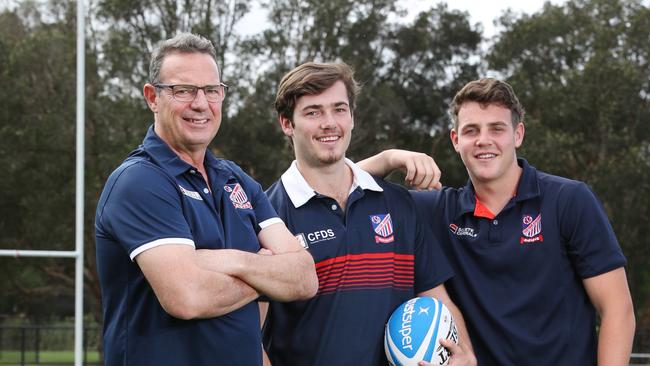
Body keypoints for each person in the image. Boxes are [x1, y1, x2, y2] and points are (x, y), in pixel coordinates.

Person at [364, 78, 636, 365]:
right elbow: (343, 185)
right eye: (471, 130)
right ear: (456, 140)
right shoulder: (436, 210)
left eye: (497, 128)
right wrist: (391, 157)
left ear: (517, 134)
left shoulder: (569, 200)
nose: (484, 140)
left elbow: (617, 309)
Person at [94, 33, 318, 366]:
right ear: (152, 97)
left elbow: (304, 277)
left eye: (212, 90)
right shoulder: (139, 182)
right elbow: (187, 297)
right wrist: (267, 275)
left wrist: (233, 261)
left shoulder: (235, 179)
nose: (201, 104)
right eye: (183, 90)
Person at [261, 62, 476, 366]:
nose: (329, 123)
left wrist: (464, 353)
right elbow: (248, 336)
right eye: (313, 112)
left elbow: (435, 297)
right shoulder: (268, 216)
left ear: (352, 117)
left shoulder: (398, 203)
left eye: (339, 109)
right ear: (287, 123)